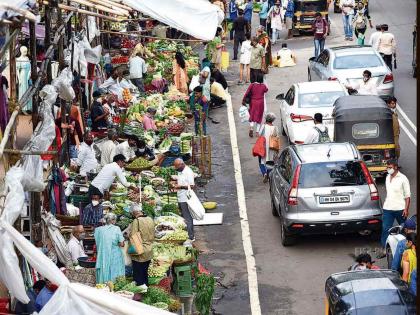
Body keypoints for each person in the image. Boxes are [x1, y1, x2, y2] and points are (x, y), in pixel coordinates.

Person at [378, 159, 410, 258]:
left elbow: (407, 196)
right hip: (388, 208)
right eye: (387, 167)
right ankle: (384, 249)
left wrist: (406, 209)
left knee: (403, 229)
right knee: (385, 229)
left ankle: (407, 248)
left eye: (390, 167)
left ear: (396, 167)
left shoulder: (403, 178)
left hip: (400, 208)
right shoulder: (387, 177)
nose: (388, 169)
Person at [94, 212, 125, 283]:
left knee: (105, 269)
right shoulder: (116, 229)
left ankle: (103, 285)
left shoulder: (98, 230)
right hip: (115, 255)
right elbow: (122, 244)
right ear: (112, 220)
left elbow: (98, 243)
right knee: (115, 271)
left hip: (103, 255)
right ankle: (115, 286)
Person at [129, 204, 155, 286]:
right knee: (145, 272)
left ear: (134, 213)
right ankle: (146, 289)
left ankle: (139, 292)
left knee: (138, 275)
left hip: (140, 251)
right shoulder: (150, 219)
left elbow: (133, 236)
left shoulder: (136, 221)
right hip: (149, 249)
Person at [172, 158, 196, 242]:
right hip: (181, 197)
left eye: (177, 167)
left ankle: (191, 236)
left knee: (187, 217)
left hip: (185, 198)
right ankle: (185, 234)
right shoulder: (181, 171)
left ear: (181, 164)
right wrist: (176, 184)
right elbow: (182, 182)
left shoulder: (188, 172)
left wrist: (180, 187)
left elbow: (192, 186)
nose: (176, 169)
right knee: (183, 217)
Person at [243, 73, 268, 138]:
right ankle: (257, 132)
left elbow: (247, 93)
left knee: (252, 116)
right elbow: (266, 90)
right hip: (260, 103)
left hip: (253, 102)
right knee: (259, 117)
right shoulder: (263, 86)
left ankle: (251, 128)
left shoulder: (252, 85)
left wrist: (243, 100)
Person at [259, 113, 279, 182]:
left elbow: (259, 134)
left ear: (266, 119)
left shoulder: (263, 126)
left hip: (263, 146)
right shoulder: (275, 128)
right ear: (273, 120)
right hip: (272, 147)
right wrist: (277, 150)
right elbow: (277, 138)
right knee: (270, 161)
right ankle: (268, 173)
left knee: (261, 161)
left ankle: (264, 173)